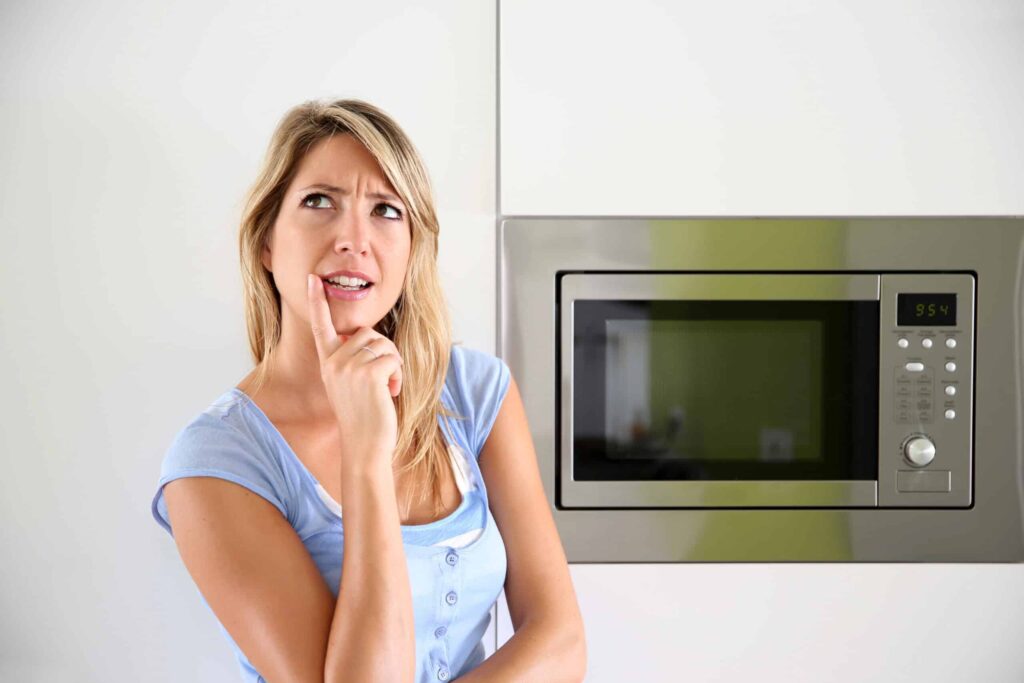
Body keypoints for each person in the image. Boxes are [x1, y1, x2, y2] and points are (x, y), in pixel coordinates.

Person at [150, 98, 586, 682]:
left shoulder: (476, 393)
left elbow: (560, 643)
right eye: (319, 201)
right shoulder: (216, 464)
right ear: (266, 242)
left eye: (385, 210)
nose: (354, 238)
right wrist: (366, 451)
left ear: (411, 250)